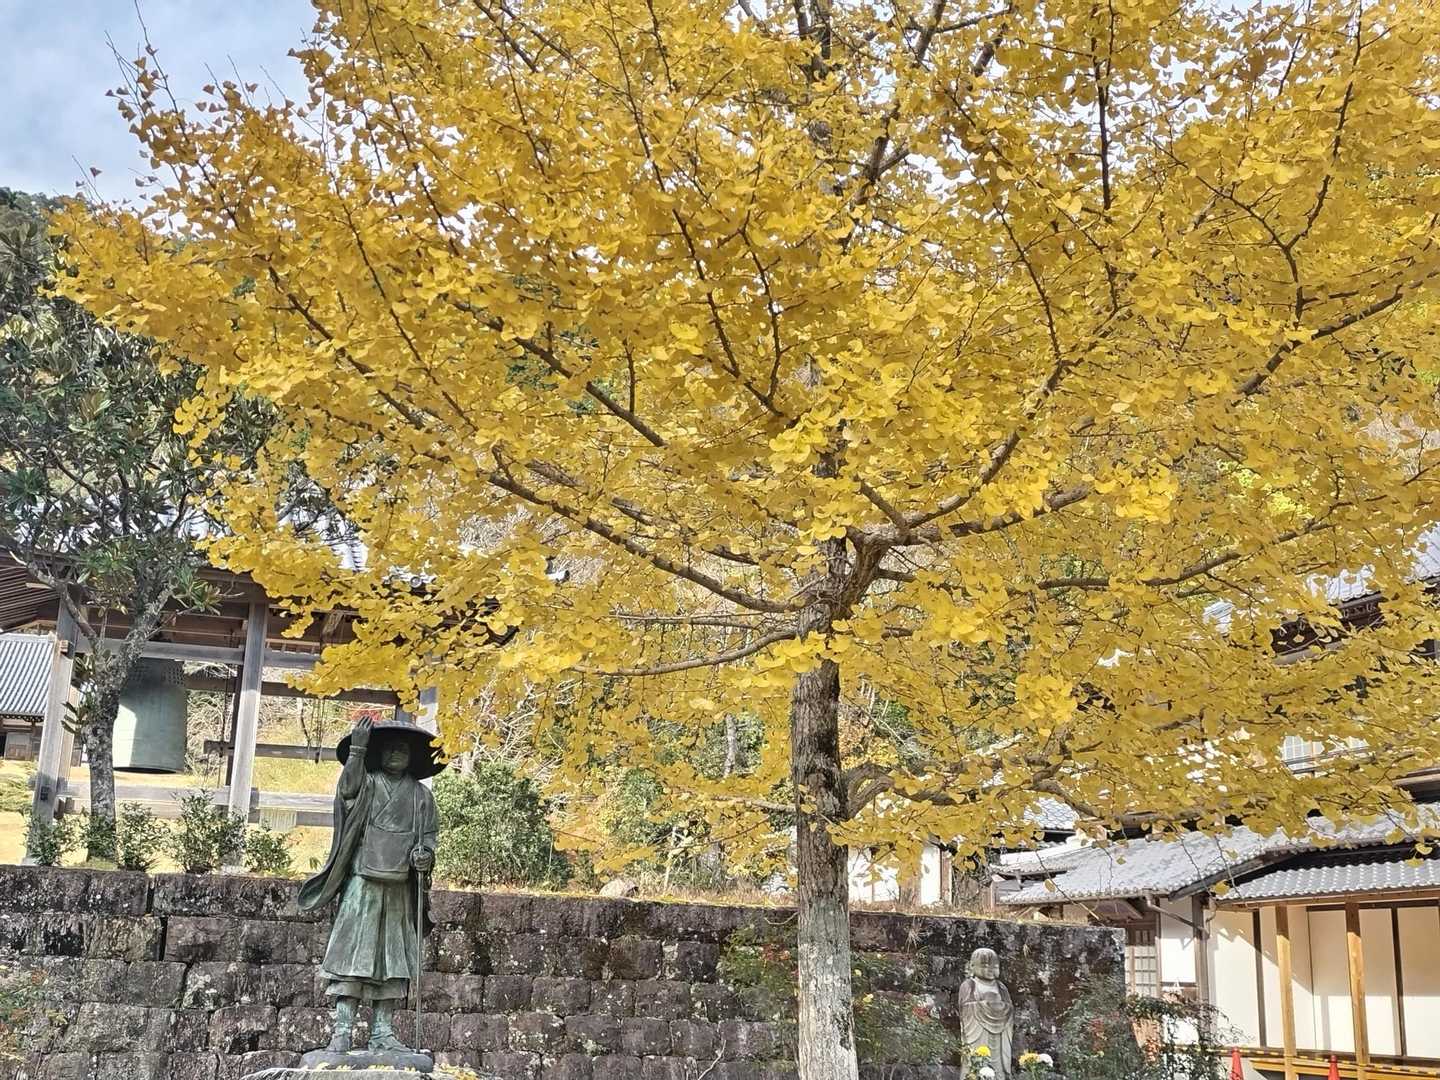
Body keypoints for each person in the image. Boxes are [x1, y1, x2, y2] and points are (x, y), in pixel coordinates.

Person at [298, 713, 444, 1055]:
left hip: (399, 887)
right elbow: (347, 791)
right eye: (389, 749)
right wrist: (357, 751)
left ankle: (383, 1032)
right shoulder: (368, 784)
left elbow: (430, 836)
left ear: (411, 757)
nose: (395, 754)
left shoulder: (421, 797)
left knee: (393, 960)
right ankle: (342, 1031)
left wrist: (425, 855)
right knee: (352, 955)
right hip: (362, 882)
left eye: (402, 750)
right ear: (379, 754)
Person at [957, 946, 1016, 1078]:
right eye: (984, 965)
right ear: (972, 966)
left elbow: (1010, 1009)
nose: (990, 969)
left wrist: (1001, 1007)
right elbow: (965, 1009)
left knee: (998, 1068)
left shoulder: (1001, 987)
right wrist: (985, 1005)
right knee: (977, 1062)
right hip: (978, 1032)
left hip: (1000, 1035)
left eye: (995, 966)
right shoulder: (969, 985)